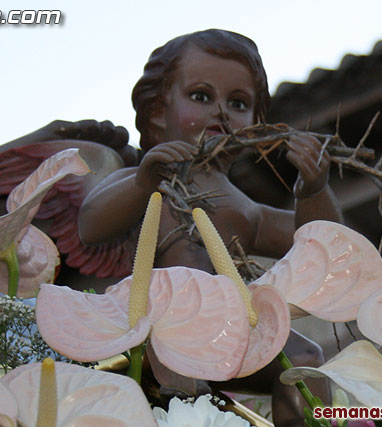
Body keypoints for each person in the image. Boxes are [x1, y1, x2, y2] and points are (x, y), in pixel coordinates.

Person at [77, 29, 342, 426]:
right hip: (156, 325)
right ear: (157, 112)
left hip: (229, 328)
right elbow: (91, 224)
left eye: (237, 103)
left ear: (254, 124)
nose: (220, 111)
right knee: (184, 381)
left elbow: (320, 242)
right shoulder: (147, 177)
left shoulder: (241, 206)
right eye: (201, 96)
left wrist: (313, 191)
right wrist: (144, 184)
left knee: (305, 360)